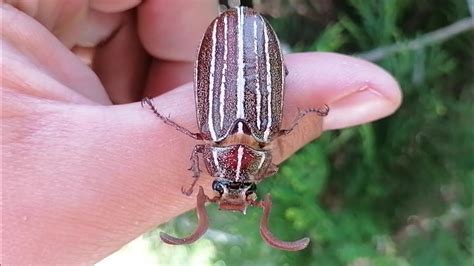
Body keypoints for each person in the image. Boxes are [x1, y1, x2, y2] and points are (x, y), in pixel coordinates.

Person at [2, 1, 402, 264]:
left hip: (235, 42)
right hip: (247, 42)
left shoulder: (261, 133)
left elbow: (223, 151)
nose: (232, 190)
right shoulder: (222, 135)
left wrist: (309, 115)